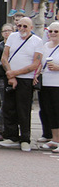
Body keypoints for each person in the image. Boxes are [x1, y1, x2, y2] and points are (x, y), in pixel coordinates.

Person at [0, 17, 43, 151]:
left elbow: (36, 63)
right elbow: (4, 57)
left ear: (31, 28)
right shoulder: (12, 37)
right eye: (19, 26)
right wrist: (11, 74)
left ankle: (25, 138)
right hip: (11, 77)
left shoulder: (37, 41)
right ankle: (11, 136)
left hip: (26, 79)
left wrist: (15, 73)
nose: (22, 29)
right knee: (9, 107)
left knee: (23, 109)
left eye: (25, 26)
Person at [35, 21, 59, 152]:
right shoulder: (45, 46)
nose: (53, 34)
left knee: (57, 111)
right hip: (46, 83)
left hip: (57, 84)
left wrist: (57, 67)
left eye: (56, 31)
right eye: (51, 31)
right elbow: (39, 63)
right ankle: (54, 139)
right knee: (48, 111)